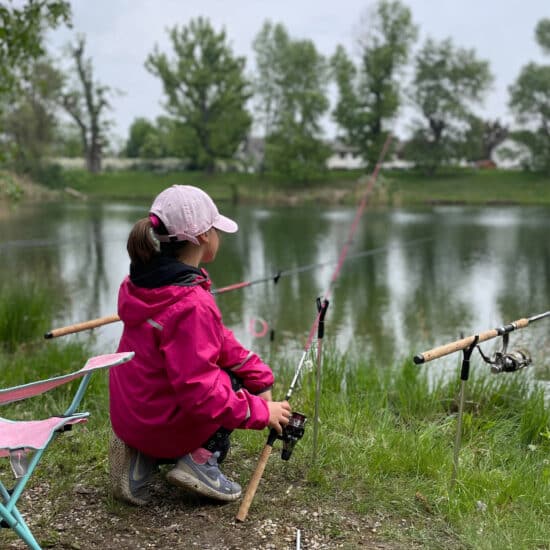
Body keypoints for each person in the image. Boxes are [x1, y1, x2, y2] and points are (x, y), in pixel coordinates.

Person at [109, 185, 291, 505]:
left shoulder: (142, 281)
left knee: (229, 371)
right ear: (204, 236)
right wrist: (262, 410)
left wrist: (259, 374)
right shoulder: (192, 301)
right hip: (160, 425)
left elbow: (216, 338)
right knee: (227, 383)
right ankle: (199, 462)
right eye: (217, 229)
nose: (219, 236)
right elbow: (202, 395)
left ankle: (142, 456)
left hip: (131, 418)